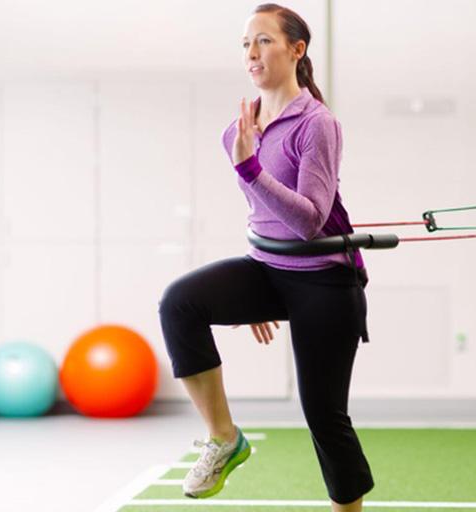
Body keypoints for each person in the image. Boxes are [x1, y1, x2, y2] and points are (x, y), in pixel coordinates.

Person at [157, 4, 373, 510]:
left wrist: (250, 168)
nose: (252, 53)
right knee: (180, 303)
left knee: (324, 416)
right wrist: (254, 293)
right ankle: (224, 438)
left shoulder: (316, 124)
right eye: (245, 44)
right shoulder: (238, 130)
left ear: (297, 50)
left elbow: (309, 221)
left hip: (326, 279)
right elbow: (264, 214)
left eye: (264, 41)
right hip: (269, 267)